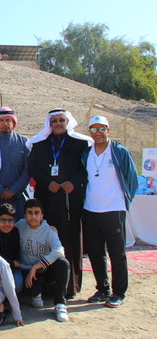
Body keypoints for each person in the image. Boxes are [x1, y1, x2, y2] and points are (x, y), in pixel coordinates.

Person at [27, 108, 91, 298]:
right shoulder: (39, 144)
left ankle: (70, 287)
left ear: (67, 121)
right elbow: (32, 167)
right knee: (46, 240)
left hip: (71, 199)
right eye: (54, 121)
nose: (58, 124)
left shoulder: (80, 143)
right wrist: (48, 183)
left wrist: (74, 183)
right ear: (49, 123)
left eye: (61, 120)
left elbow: (86, 168)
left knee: (71, 241)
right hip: (47, 199)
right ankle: (46, 288)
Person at [82, 116, 139, 308]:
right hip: (90, 209)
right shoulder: (87, 153)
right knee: (95, 252)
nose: (97, 133)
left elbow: (132, 180)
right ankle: (102, 289)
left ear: (109, 130)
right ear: (90, 132)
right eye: (93, 129)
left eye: (101, 129)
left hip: (113, 209)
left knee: (117, 253)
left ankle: (119, 292)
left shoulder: (119, 152)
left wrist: (123, 201)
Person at [17, 198, 71, 322]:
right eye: (29, 213)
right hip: (27, 271)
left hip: (43, 269)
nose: (33, 216)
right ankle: (36, 294)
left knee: (63, 263)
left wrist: (36, 267)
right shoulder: (20, 225)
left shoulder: (48, 231)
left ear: (42, 215)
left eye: (37, 213)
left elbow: (59, 251)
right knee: (31, 290)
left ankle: (60, 304)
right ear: (24, 215)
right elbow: (5, 230)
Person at [0, 107, 30, 223]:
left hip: (18, 197)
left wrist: (13, 190)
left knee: (19, 229)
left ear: (13, 122)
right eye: (1, 120)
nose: (5, 123)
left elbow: (28, 170)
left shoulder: (24, 142)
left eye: (8, 120)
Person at [0, 203, 23, 292]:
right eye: (2, 220)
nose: (7, 224)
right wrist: (12, 263)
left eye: (10, 220)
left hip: (11, 268)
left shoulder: (16, 232)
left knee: (17, 284)